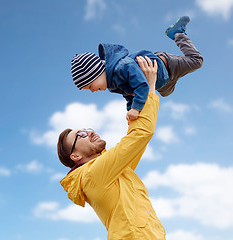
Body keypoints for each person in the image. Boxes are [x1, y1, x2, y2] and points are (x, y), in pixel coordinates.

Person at [57, 56, 166, 239]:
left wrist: (136, 105)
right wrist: (148, 89)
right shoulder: (93, 175)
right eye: (81, 135)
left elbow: (136, 139)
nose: (89, 132)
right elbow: (140, 135)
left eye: (87, 129)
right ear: (75, 156)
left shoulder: (114, 171)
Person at [70, 16, 203, 121]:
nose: (92, 91)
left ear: (96, 73)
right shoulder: (113, 84)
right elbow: (128, 95)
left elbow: (141, 86)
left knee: (197, 61)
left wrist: (136, 108)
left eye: (90, 86)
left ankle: (177, 33)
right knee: (167, 93)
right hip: (163, 82)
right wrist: (130, 110)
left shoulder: (123, 67)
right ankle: (174, 77)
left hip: (167, 65)